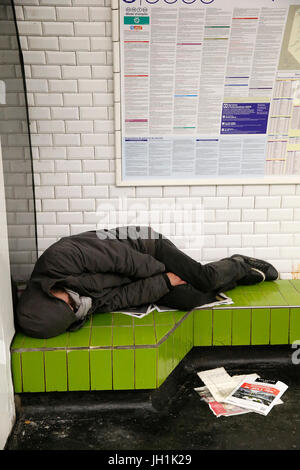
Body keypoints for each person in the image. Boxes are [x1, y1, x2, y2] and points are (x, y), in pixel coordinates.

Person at [16, 225, 278, 339]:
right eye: (73, 312)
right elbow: (122, 298)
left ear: (49, 292)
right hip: (141, 273)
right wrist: (165, 282)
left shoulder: (59, 258)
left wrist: (165, 272)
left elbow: (122, 259)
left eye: (68, 304)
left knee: (202, 277)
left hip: (144, 246)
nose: (76, 306)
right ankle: (238, 278)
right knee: (189, 298)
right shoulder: (79, 306)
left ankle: (239, 263)